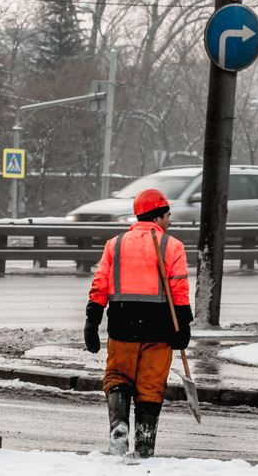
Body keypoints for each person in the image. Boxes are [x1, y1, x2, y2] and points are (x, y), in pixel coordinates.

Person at [82, 186, 192, 458]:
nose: (170, 220)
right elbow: (179, 290)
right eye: (167, 215)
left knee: (118, 379)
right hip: (161, 331)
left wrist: (92, 322)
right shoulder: (173, 246)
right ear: (156, 217)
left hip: (122, 327)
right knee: (151, 387)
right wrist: (184, 327)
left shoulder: (115, 245)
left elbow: (100, 285)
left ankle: (119, 426)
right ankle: (144, 445)